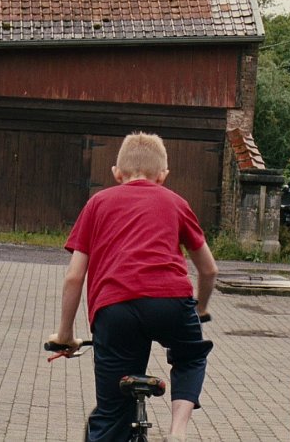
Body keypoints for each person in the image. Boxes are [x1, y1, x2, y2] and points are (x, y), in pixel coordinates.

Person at [48, 132, 218, 442]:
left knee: (112, 413)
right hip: (171, 302)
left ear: (116, 173)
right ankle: (177, 432)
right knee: (190, 356)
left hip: (115, 309)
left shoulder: (97, 203)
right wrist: (201, 307)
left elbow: (74, 277)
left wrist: (65, 335)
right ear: (163, 175)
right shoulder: (176, 203)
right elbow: (208, 269)